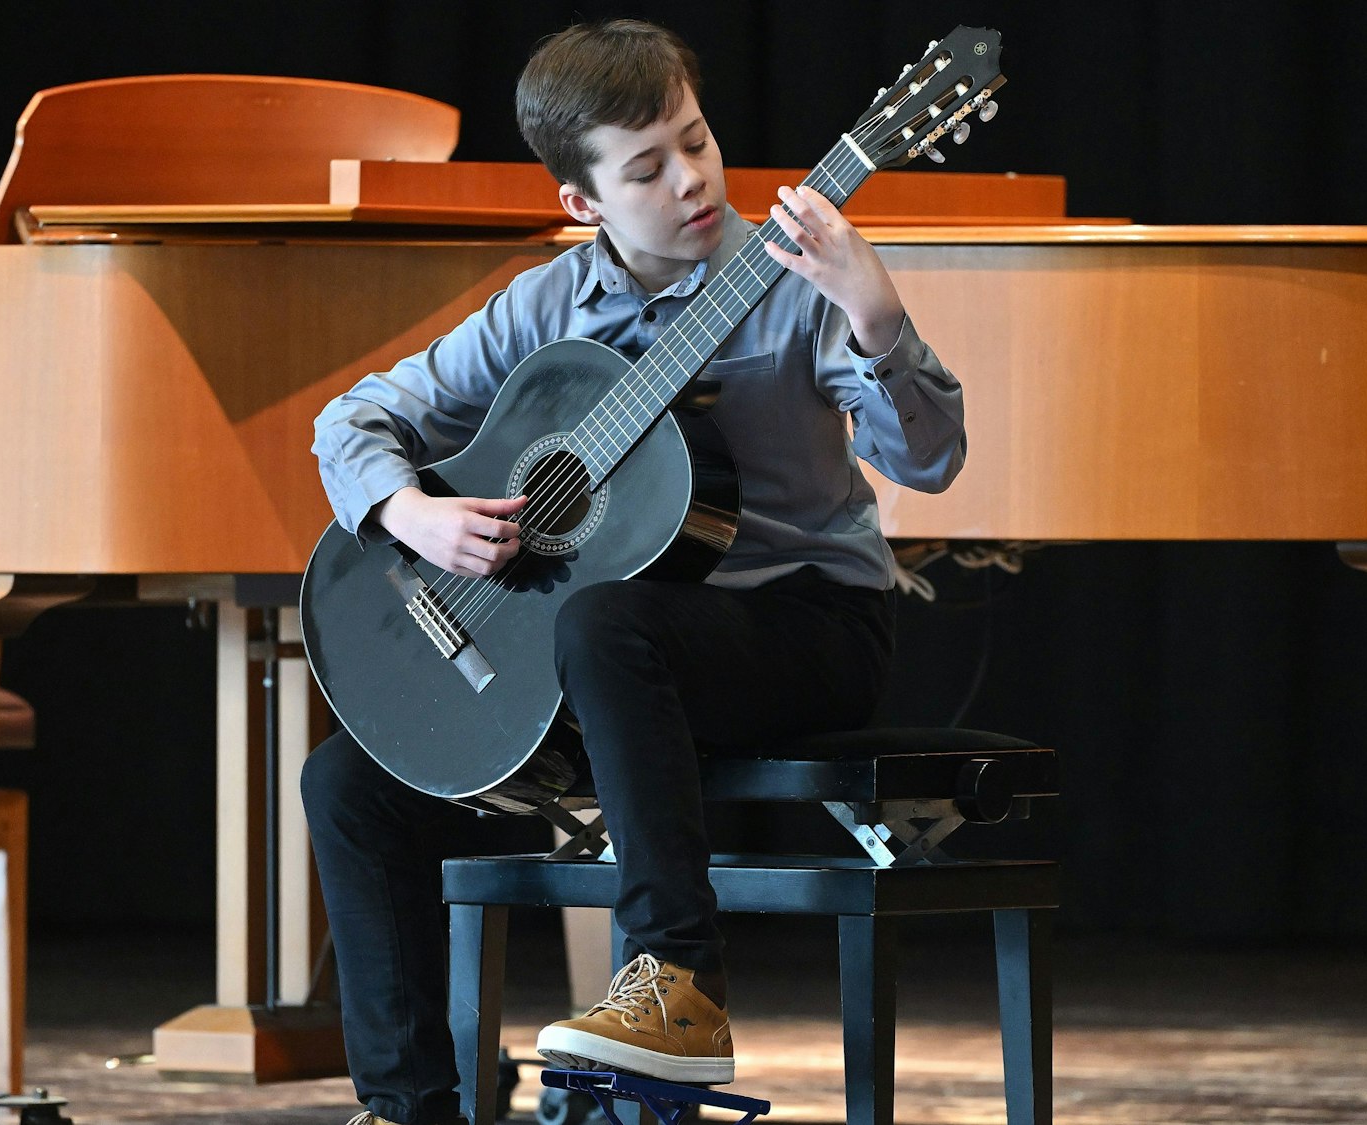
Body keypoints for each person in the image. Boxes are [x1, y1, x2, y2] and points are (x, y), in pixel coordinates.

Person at [302, 17, 964, 1125]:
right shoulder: (544, 309)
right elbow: (355, 415)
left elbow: (929, 462)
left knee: (609, 623)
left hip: (806, 625)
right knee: (350, 788)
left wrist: (875, 311)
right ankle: (408, 1105)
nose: (691, 181)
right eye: (647, 168)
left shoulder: (794, 285)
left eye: (695, 142)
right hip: (617, 659)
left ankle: (678, 985)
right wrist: (409, 512)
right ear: (582, 202)